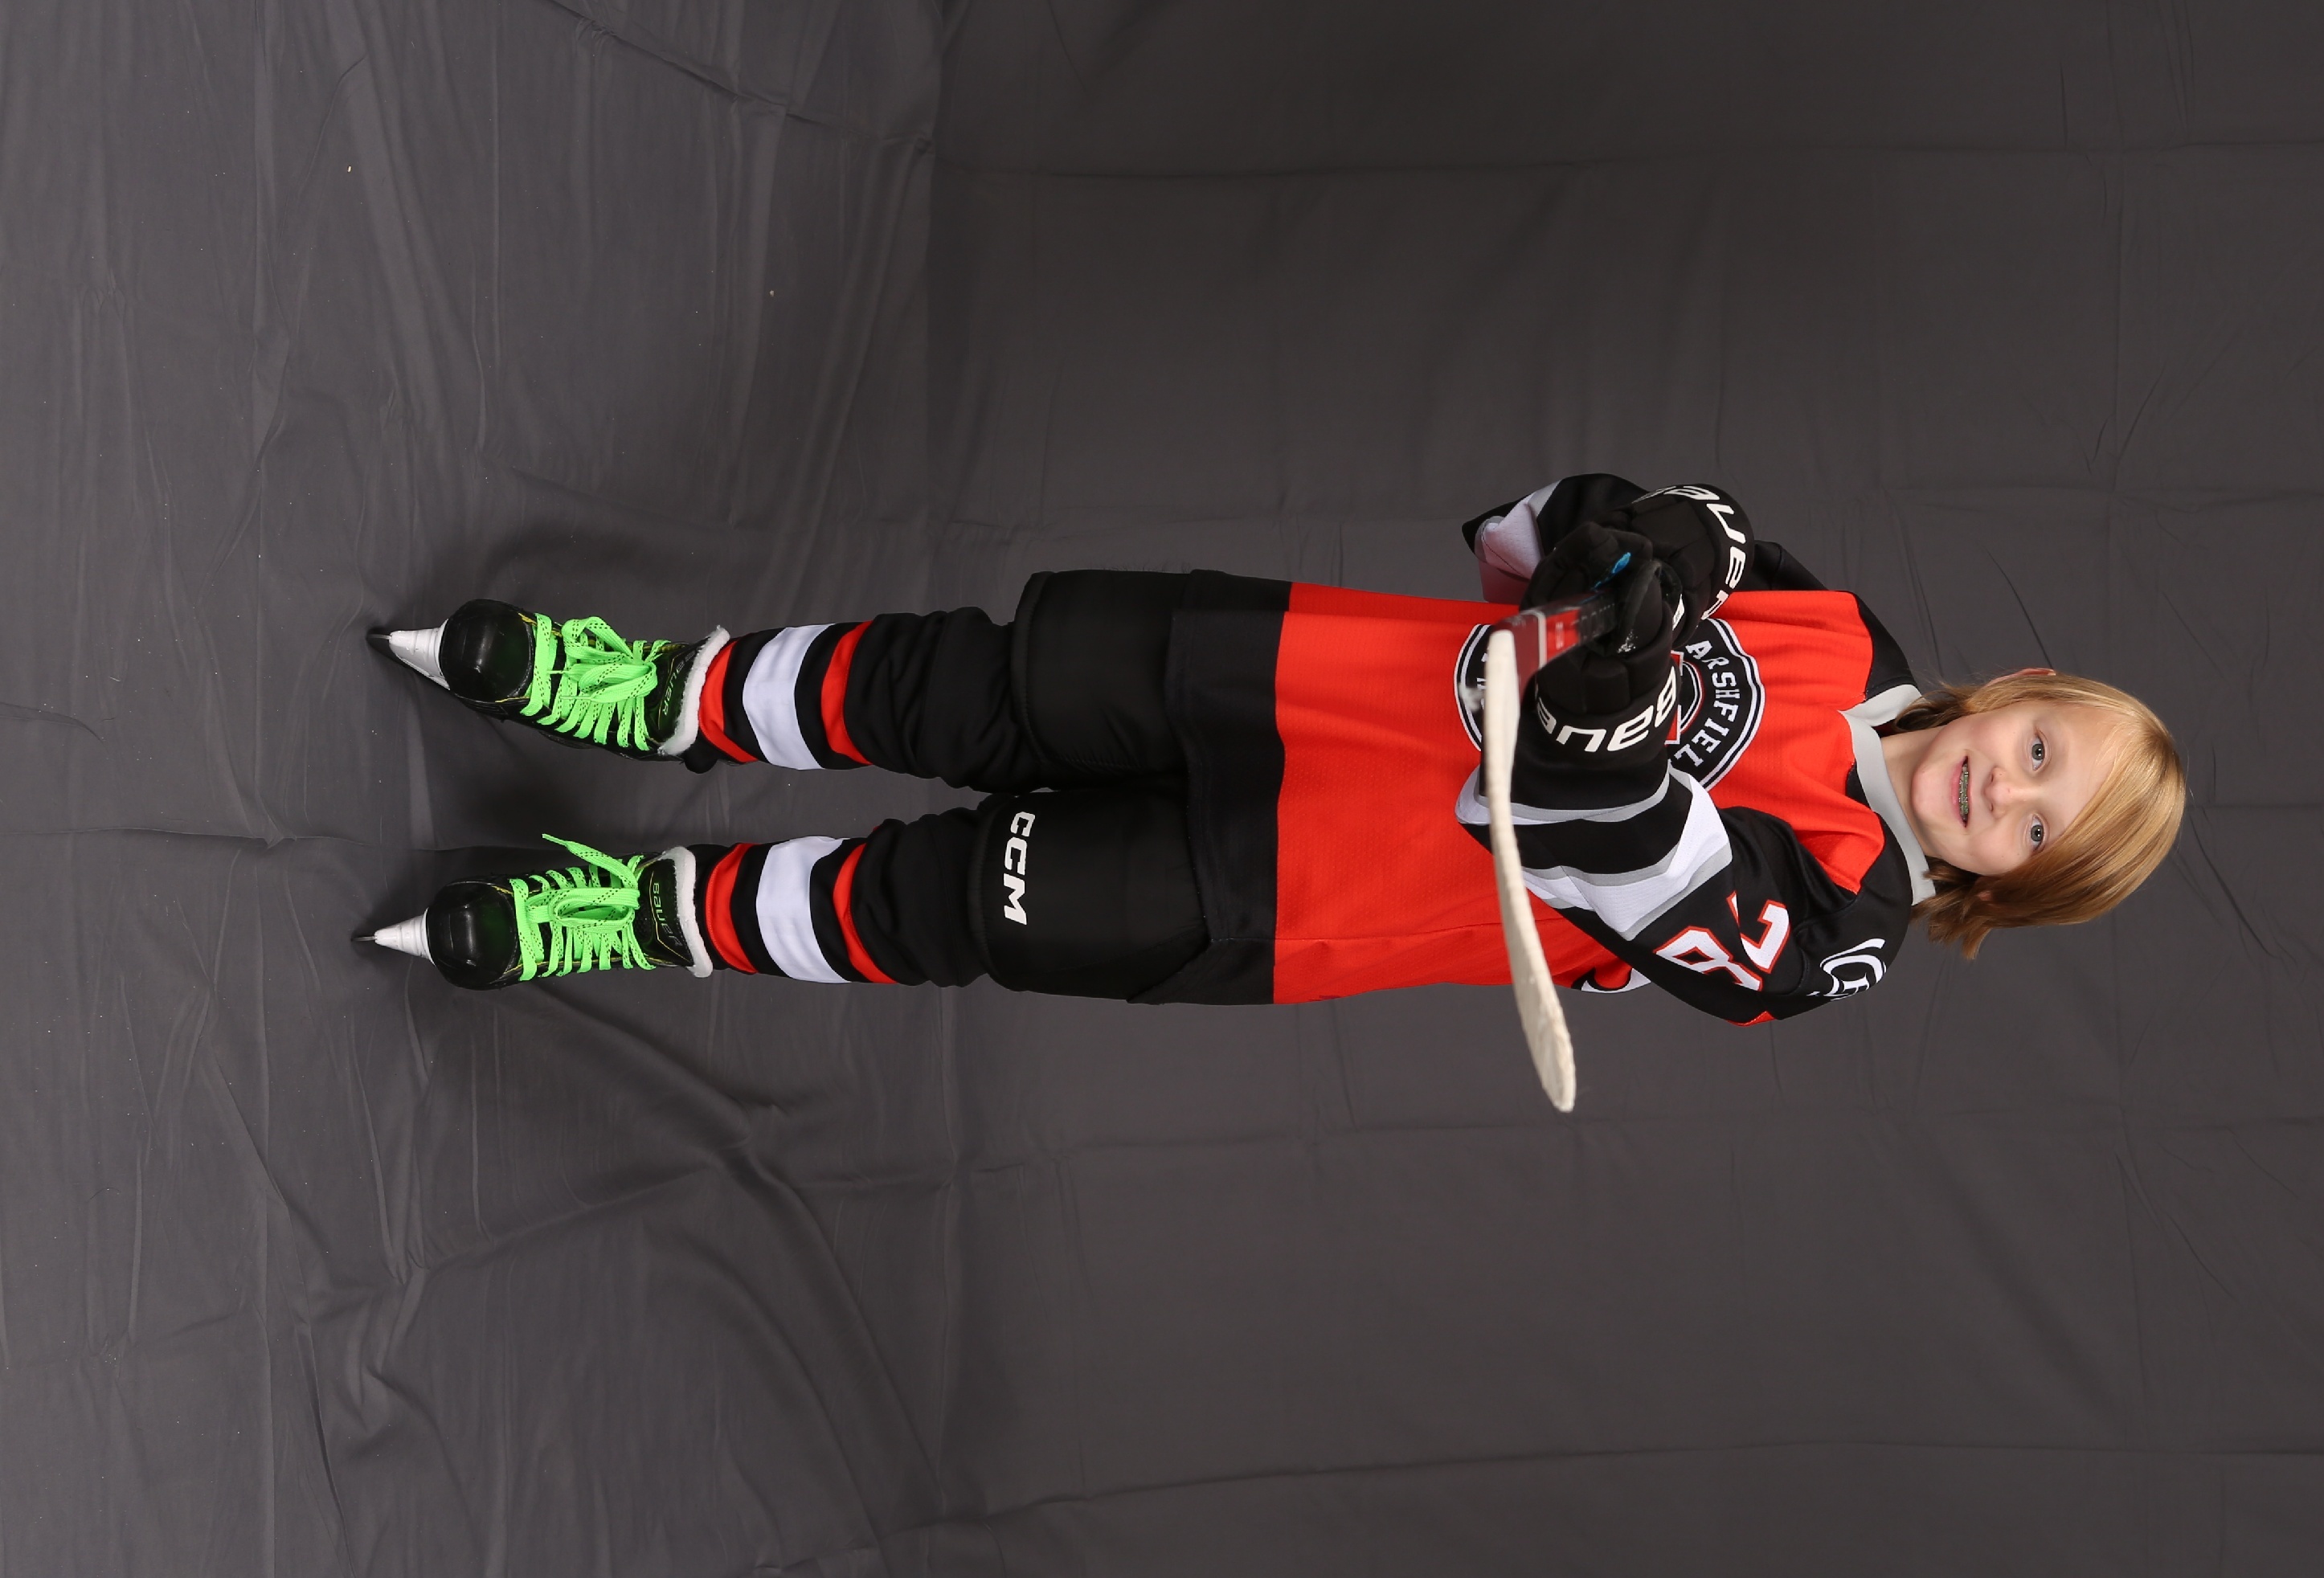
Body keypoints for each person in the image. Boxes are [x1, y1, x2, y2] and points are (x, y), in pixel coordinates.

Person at [362, 476, 2185, 1024]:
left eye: (2041, 830)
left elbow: (1633, 864)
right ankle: (657, 696)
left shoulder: (1846, 926)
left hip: (1300, 890)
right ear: (2018, 691)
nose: (2007, 792)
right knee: (952, 685)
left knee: (942, 902)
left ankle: (641, 911)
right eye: (2043, 748)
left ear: (2010, 889)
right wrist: (1632, 529)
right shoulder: (1834, 627)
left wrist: (1612, 720)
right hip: (1291, 674)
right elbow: (1512, 537)